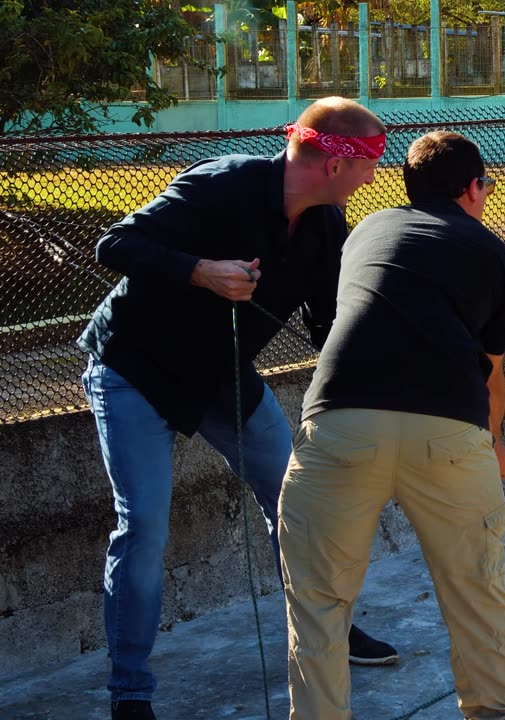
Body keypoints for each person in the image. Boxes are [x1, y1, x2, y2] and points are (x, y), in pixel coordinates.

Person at [77, 97, 399, 720]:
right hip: (134, 370)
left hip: (223, 378)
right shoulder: (221, 182)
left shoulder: (328, 227)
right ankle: (130, 693)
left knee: (297, 504)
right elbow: (113, 244)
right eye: (369, 164)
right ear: (335, 162)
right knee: (143, 527)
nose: (372, 178)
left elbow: (330, 322)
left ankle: (328, 634)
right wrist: (198, 270)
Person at [278, 131, 505, 720]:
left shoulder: (366, 230)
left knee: (319, 602)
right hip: (448, 435)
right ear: (474, 188)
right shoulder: (496, 255)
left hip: (340, 422)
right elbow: (490, 375)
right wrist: (493, 446)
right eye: (487, 185)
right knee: (476, 593)